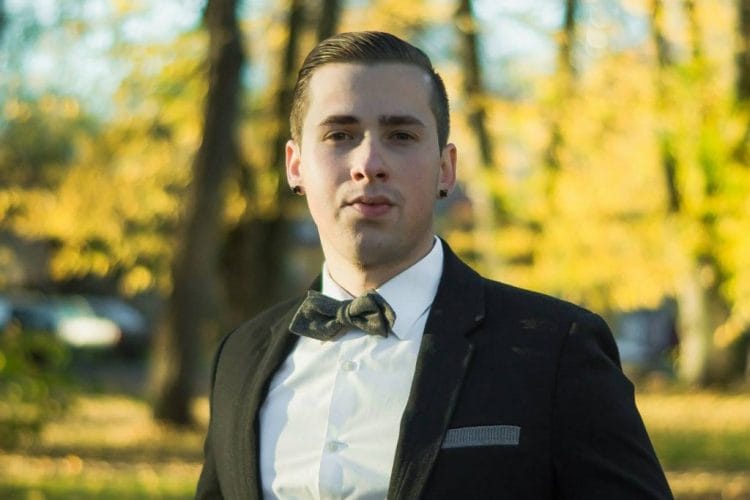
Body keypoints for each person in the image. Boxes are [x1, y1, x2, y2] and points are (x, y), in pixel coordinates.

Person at [196, 31, 673, 500]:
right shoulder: (239, 357)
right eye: (339, 135)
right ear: (295, 164)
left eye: (401, 135)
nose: (369, 163)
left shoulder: (556, 350)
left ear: (445, 168)